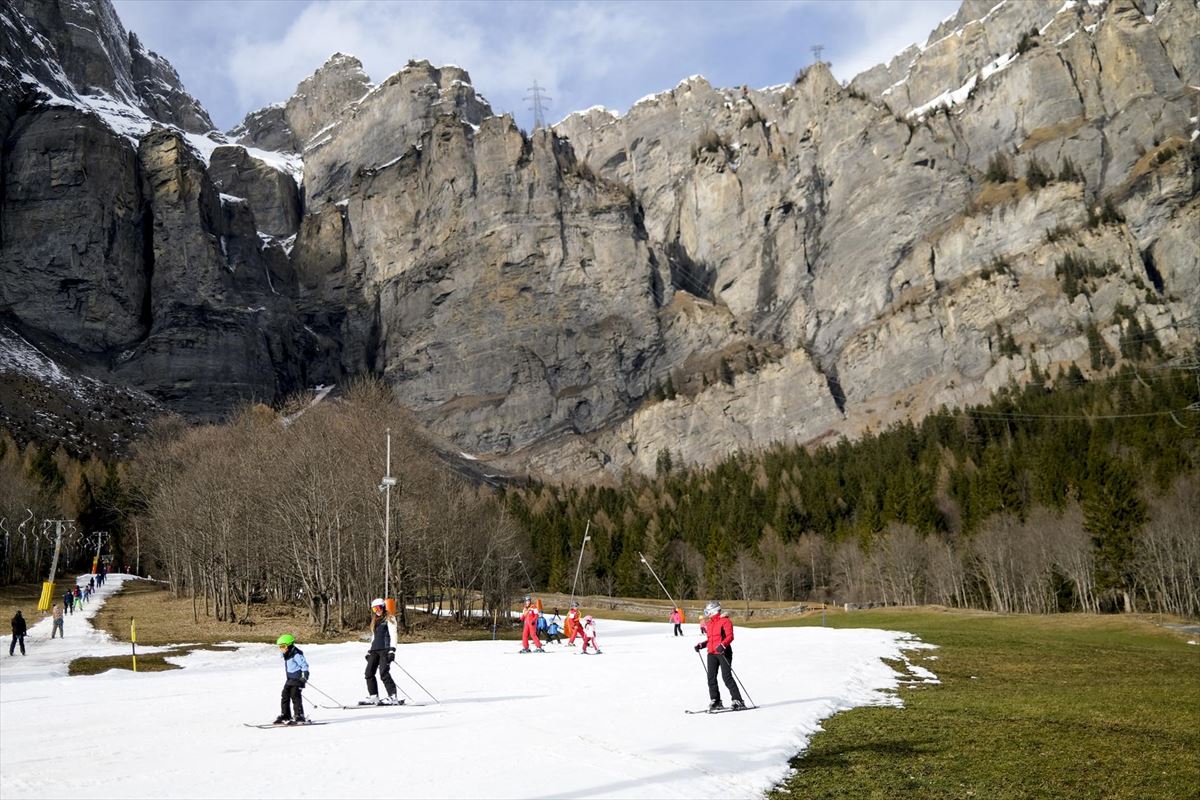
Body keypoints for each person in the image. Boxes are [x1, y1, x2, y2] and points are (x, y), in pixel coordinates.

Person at [694, 601, 744, 711]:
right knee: (711, 678)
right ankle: (716, 700)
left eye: (708, 611)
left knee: (726, 677)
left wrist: (723, 645)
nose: (706, 613)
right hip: (711, 653)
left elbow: (730, 637)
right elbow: (711, 640)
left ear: (714, 610)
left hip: (723, 652)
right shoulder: (710, 623)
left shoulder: (725, 621)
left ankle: (738, 700)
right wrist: (702, 645)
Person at [362, 598, 400, 705]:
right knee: (368, 673)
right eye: (374, 609)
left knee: (384, 673)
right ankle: (374, 696)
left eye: (378, 608)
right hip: (375, 650)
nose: (377, 611)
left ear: (383, 607)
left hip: (385, 649)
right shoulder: (375, 621)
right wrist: (370, 651)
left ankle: (393, 696)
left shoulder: (390, 618)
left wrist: (392, 650)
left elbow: (393, 635)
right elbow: (374, 637)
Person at [273, 634, 310, 725]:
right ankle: (285, 715)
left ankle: (299, 716)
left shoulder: (296, 654)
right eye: (280, 647)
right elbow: (283, 654)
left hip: (298, 679)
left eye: (282, 646)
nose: (281, 648)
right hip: (290, 679)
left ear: (289, 645)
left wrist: (305, 676)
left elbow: (304, 665)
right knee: (284, 695)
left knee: (295, 696)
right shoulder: (287, 653)